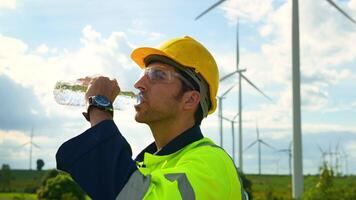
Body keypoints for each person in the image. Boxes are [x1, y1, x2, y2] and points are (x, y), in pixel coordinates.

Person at [56, 36, 244, 200]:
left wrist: (99, 106)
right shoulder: (152, 165)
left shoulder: (211, 164)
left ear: (190, 99)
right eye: (144, 74)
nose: (138, 84)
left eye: (158, 75)